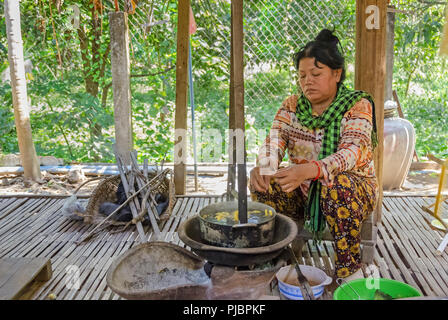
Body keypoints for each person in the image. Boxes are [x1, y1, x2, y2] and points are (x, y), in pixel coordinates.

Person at [249, 29, 378, 282]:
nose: (307, 81)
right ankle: (276, 253)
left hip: (352, 192)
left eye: (316, 74)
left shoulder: (357, 105)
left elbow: (353, 151)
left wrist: (310, 170)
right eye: (302, 75)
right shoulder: (292, 106)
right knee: (265, 184)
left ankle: (349, 271)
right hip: (303, 190)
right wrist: (265, 166)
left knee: (336, 185)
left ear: (337, 74)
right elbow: (274, 141)